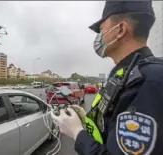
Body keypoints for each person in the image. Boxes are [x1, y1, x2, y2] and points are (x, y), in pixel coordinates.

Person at [51, 1, 163, 155]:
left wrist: (77, 133)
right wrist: (84, 121)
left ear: (120, 30)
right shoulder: (124, 73)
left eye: (102, 29)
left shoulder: (149, 81)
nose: (99, 37)